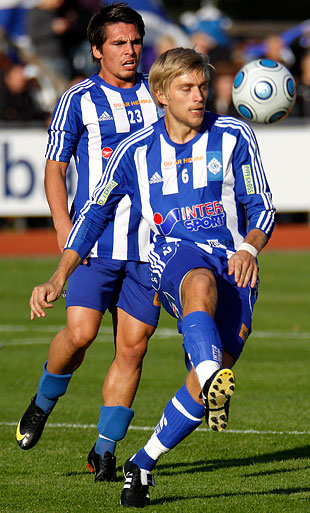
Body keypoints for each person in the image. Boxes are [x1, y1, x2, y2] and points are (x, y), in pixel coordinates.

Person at [29, 47, 275, 507]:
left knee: (202, 388)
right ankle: (209, 370)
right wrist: (60, 273)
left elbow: (262, 205)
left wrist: (249, 247)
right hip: (172, 257)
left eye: (202, 86)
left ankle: (142, 463)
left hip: (235, 263)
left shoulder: (234, 136)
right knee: (197, 285)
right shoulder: (135, 151)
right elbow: (93, 215)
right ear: (161, 94)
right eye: (186, 88)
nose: (198, 96)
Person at [15, 3, 161, 483]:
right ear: (96, 50)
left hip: (148, 246)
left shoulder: (158, 95)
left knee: (133, 348)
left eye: (135, 42)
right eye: (118, 43)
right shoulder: (78, 98)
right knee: (79, 335)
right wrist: (62, 225)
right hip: (94, 242)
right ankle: (42, 400)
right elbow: (55, 168)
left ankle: (103, 450)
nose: (129, 51)